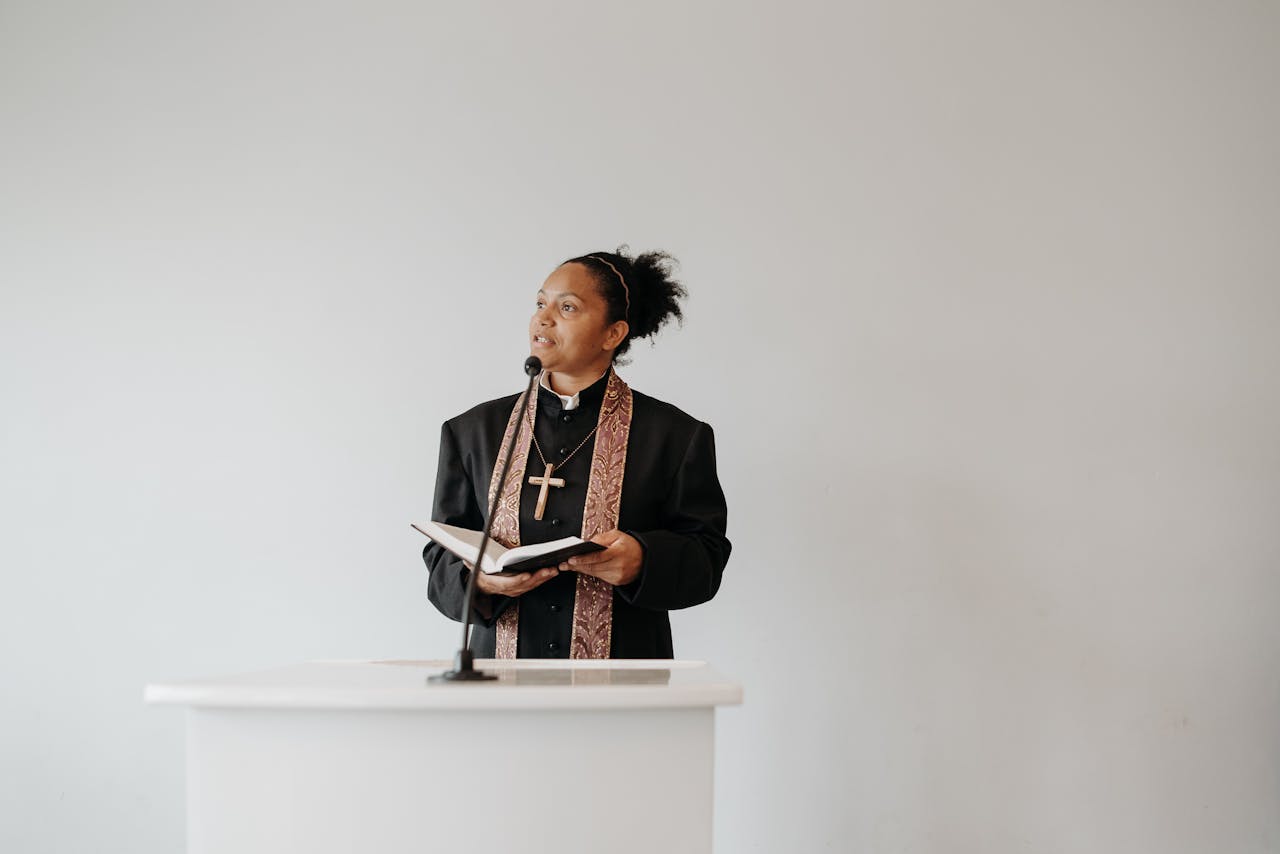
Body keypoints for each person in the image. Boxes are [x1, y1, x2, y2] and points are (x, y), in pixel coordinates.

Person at [423, 247, 731, 659]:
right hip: (500, 682)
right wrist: (478, 581)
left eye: (567, 307)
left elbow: (706, 559)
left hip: (626, 678)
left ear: (613, 334)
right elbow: (442, 551)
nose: (543, 318)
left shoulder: (676, 436)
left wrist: (643, 560)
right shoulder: (472, 431)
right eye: (539, 303)